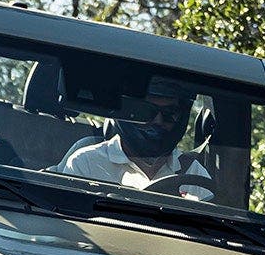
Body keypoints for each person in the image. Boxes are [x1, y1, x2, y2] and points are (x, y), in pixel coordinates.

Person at [54, 73, 211, 194]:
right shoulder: (86, 162)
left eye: (170, 113)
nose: (158, 121)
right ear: (127, 113)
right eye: (145, 112)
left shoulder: (193, 173)